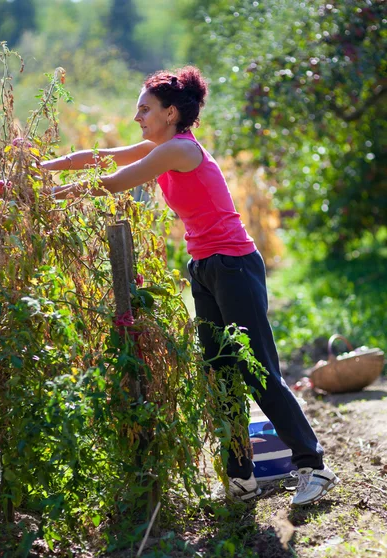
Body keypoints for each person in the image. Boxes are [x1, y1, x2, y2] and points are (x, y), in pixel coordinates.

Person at [42, 66, 339, 505]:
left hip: (234, 266)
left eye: (145, 109)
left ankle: (314, 465)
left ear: (171, 113)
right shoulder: (161, 145)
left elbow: (112, 181)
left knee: (257, 371)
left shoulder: (178, 150)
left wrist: (46, 196)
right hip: (204, 267)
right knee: (220, 373)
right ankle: (241, 477)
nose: (137, 116)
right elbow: (100, 156)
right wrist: (38, 170)